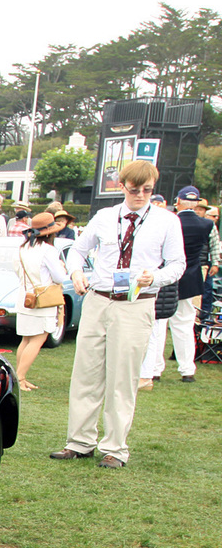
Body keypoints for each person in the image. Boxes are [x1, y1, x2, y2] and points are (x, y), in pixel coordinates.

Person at [52, 160, 184, 468]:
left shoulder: (166, 221)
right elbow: (77, 250)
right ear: (122, 186)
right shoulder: (104, 216)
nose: (140, 196)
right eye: (135, 189)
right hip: (98, 300)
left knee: (122, 378)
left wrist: (157, 277)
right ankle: (79, 442)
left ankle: (114, 448)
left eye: (147, 190)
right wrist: (76, 272)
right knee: (85, 373)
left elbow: (178, 265)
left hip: (136, 304)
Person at [139, 185, 213, 387]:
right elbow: (212, 251)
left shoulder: (169, 221)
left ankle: (155, 369)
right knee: (185, 324)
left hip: (167, 277)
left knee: (159, 324)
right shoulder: (206, 225)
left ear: (178, 202)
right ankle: (187, 369)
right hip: (190, 278)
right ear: (197, 203)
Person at [12, 212, 71, 390]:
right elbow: (60, 277)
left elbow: (17, 271)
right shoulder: (49, 251)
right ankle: (20, 378)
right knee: (37, 339)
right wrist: (62, 267)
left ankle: (19, 376)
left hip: (25, 297)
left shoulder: (23, 248)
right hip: (42, 299)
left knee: (27, 339)